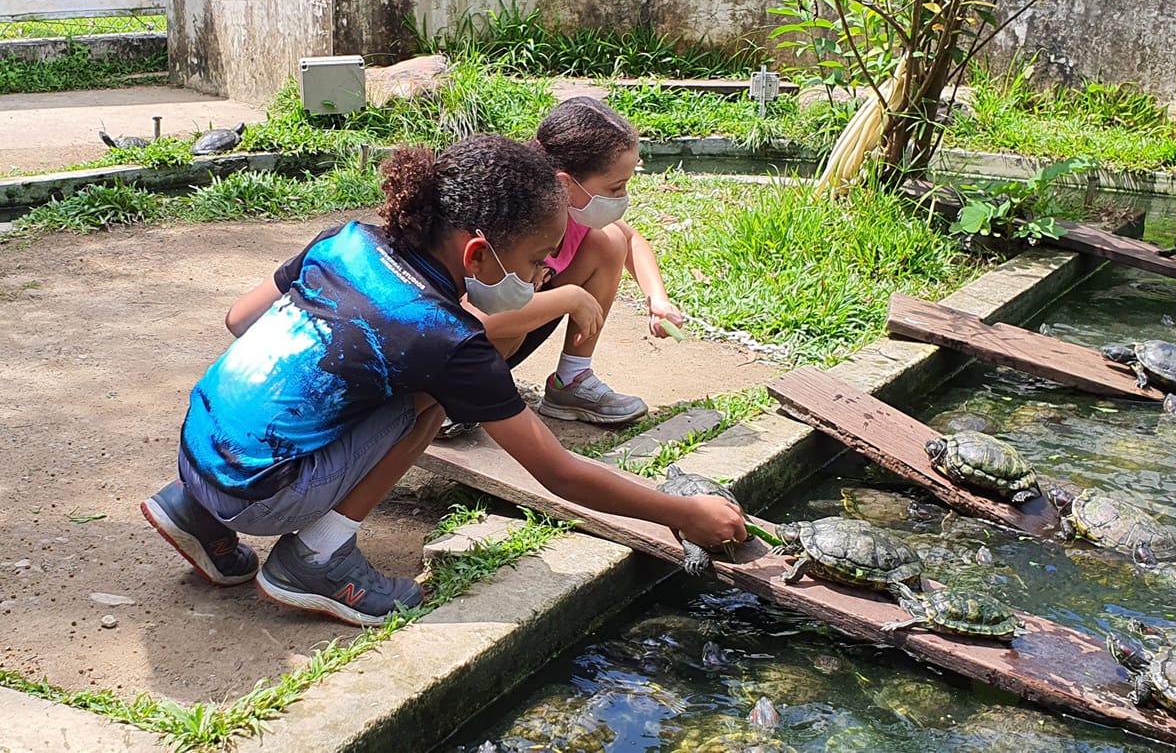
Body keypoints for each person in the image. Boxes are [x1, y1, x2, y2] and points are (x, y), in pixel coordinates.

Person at [139, 134, 747, 627]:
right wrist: (680, 513)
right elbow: (558, 472)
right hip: (263, 494)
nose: (541, 277)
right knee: (427, 400)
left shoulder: (345, 240)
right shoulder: (445, 338)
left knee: (332, 384)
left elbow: (240, 319)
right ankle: (317, 558)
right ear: (477, 254)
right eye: (537, 260)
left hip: (196, 452)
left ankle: (196, 510)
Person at [449, 96, 683, 430]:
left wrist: (657, 299)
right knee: (510, 325)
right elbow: (481, 318)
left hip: (511, 327)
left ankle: (572, 380)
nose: (623, 199)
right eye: (616, 188)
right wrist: (570, 298)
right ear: (565, 183)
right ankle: (454, 400)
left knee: (610, 241)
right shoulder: (516, 222)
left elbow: (630, 239)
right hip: (462, 343)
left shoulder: (570, 208)